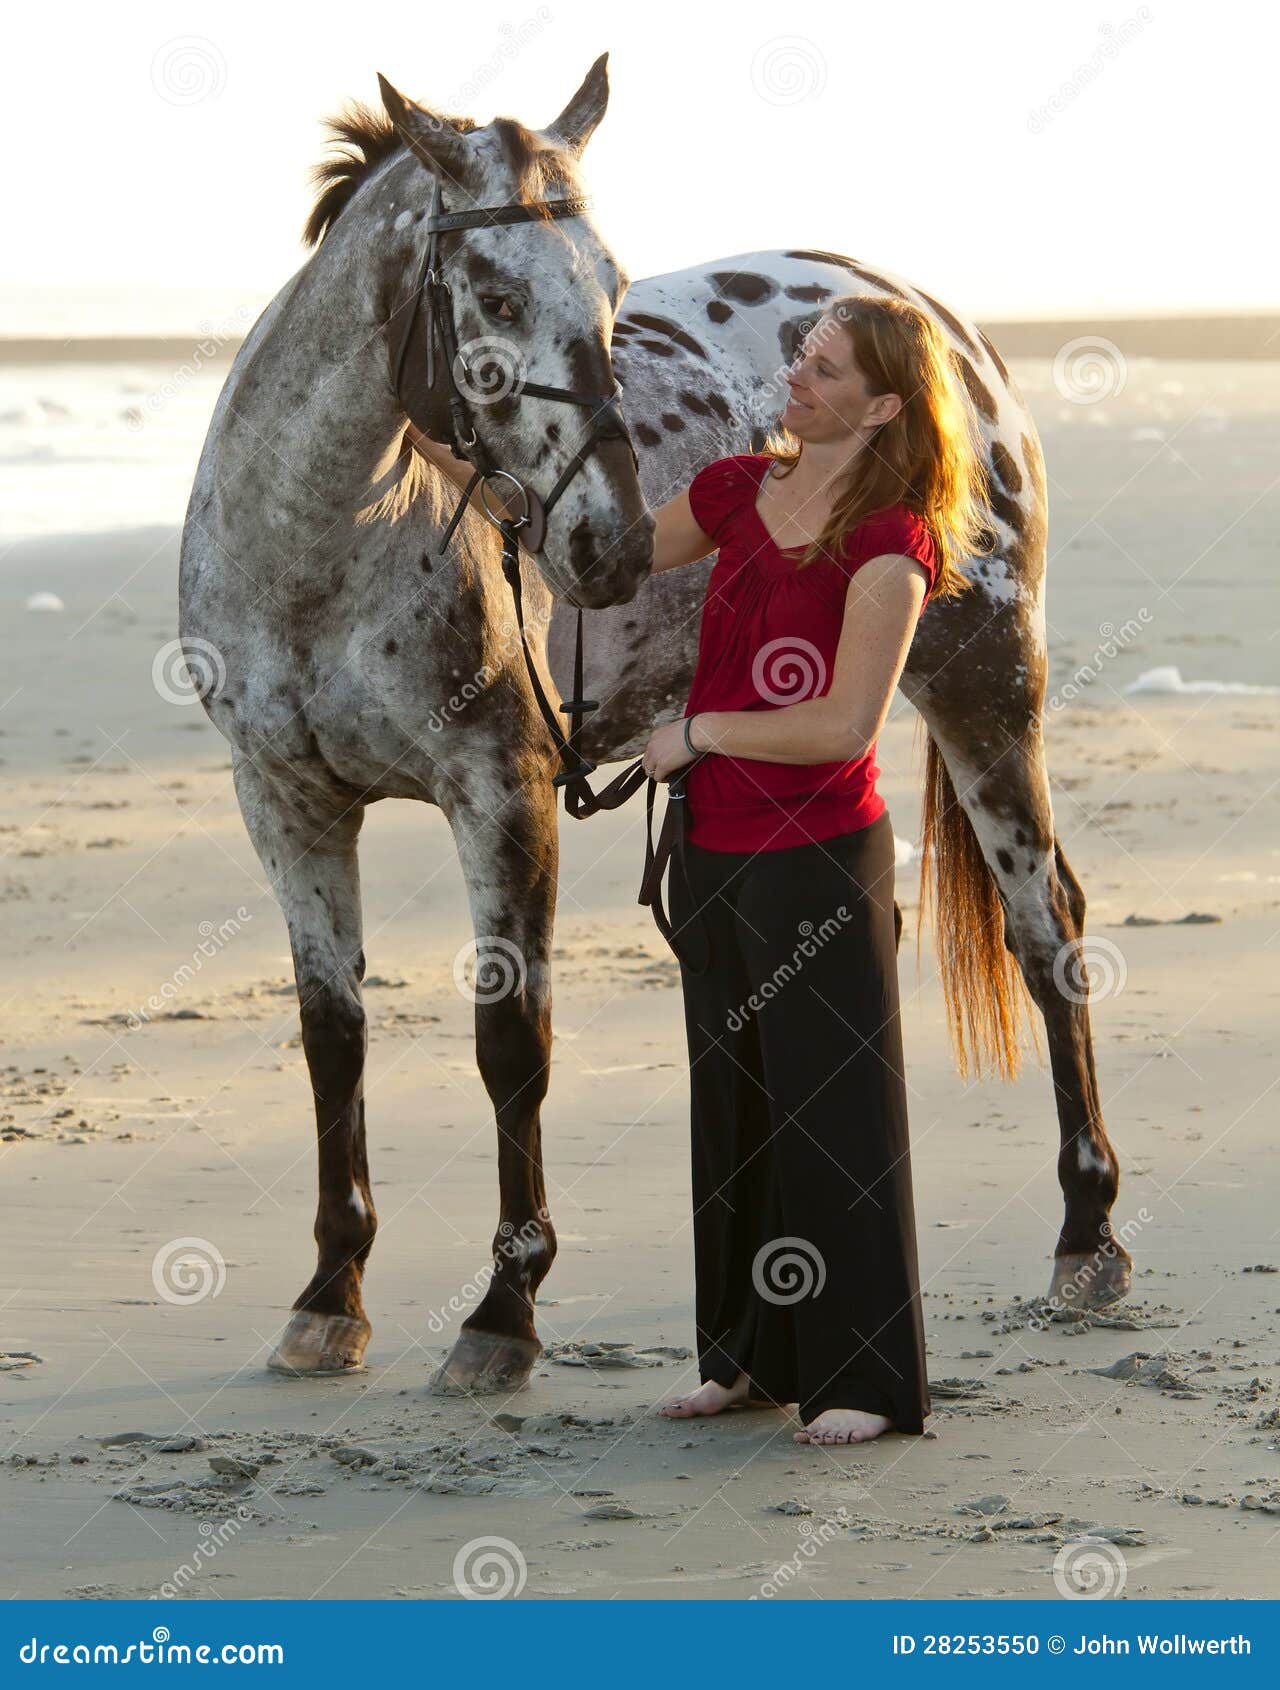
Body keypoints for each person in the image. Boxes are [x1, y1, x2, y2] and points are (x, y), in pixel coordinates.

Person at [410, 293, 988, 1445]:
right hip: (712, 846)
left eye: (822, 372)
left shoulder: (890, 543)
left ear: (879, 407)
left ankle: (865, 1379)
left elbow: (839, 726)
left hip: (818, 858)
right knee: (734, 1111)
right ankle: (745, 1357)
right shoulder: (735, 488)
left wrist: (699, 733)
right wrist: (472, 472)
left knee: (834, 1119)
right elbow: (606, 561)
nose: (796, 379)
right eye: (801, 358)